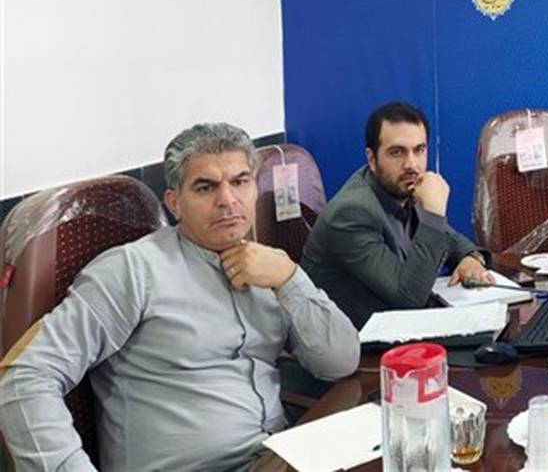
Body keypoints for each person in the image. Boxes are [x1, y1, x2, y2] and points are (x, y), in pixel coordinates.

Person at [0, 123, 359, 471]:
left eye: (240, 181)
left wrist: (290, 279)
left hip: (278, 457)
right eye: (205, 187)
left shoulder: (270, 268)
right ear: (174, 203)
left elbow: (340, 362)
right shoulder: (134, 271)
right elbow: (26, 376)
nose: (228, 200)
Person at [302, 101, 492, 327]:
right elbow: (408, 298)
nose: (411, 165)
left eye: (419, 150)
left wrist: (470, 258)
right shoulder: (352, 213)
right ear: (372, 159)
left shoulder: (402, 189)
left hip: (395, 325)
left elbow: (452, 240)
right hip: (358, 340)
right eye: (397, 152)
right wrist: (434, 213)